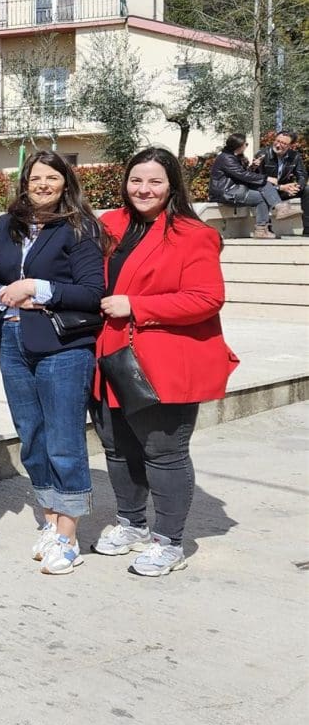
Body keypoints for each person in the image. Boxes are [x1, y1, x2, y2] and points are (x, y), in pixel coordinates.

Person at [92, 147, 239, 576]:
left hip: (161, 362)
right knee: (117, 448)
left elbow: (207, 298)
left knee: (164, 452)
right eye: (136, 180)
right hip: (109, 354)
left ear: (172, 185)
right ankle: (131, 523)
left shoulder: (193, 234)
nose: (144, 189)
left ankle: (169, 541)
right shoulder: (110, 224)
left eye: (155, 181)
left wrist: (137, 305)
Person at [0, 152, 107, 574]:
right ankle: (51, 520)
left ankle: (68, 536)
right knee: (31, 435)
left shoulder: (80, 227)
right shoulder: (7, 224)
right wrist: (5, 294)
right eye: (36, 177)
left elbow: (92, 292)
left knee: (64, 439)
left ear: (65, 182)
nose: (43, 185)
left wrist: (38, 288)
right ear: (25, 182)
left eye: (52, 177)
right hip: (12, 340)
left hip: (62, 345)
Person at [208, 132, 297, 239]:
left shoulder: (234, 157)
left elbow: (242, 175)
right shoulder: (226, 158)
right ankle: (278, 210)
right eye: (245, 144)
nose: (246, 146)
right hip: (226, 193)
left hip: (235, 190)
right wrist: (267, 178)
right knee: (263, 186)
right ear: (238, 146)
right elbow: (242, 175)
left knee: (262, 195)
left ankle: (262, 229)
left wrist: (253, 167)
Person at [252, 131, 307, 236]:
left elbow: (302, 175)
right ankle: (266, 229)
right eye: (277, 141)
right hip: (268, 189)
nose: (278, 145)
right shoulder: (263, 154)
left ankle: (307, 229)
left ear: (290, 146)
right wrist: (280, 187)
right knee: (264, 194)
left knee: (307, 190)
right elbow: (257, 180)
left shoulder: (295, 156)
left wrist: (296, 187)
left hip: (284, 189)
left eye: (283, 143)